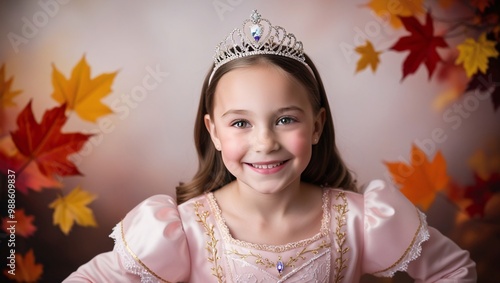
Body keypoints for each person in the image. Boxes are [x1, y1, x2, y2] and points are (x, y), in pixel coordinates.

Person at [64, 10, 476, 283]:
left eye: (285, 120)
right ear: (213, 131)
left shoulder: (361, 221)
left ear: (316, 126)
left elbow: (454, 270)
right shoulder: (183, 231)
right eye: (240, 122)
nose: (264, 141)